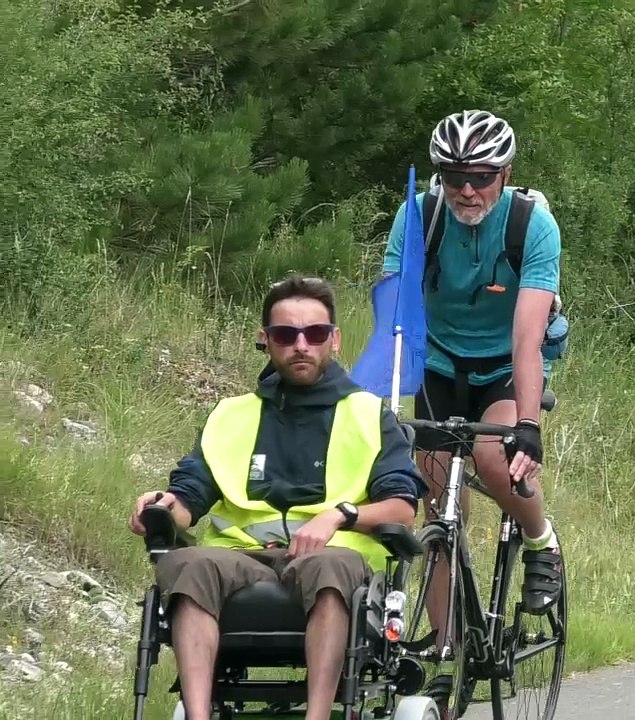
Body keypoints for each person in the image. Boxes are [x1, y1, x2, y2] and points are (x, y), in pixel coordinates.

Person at [127, 275, 423, 720]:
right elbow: (191, 495)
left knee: (330, 568)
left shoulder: (368, 415)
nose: (301, 344)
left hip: (331, 555)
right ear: (265, 341)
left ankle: (318, 715)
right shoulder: (231, 415)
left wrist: (340, 515)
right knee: (186, 564)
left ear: (334, 340)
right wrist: (163, 505)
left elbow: (401, 507)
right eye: (286, 334)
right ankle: (197, 713)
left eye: (315, 333)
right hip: (240, 558)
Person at [380, 110, 563, 649]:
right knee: (435, 500)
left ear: (505, 173)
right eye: (454, 174)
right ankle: (447, 648)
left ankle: (540, 541)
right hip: (438, 363)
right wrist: (383, 403)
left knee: (494, 456)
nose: (466, 189)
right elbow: (395, 314)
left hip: (505, 365)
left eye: (481, 176)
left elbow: (527, 336)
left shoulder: (531, 225)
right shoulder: (418, 216)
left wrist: (527, 424)